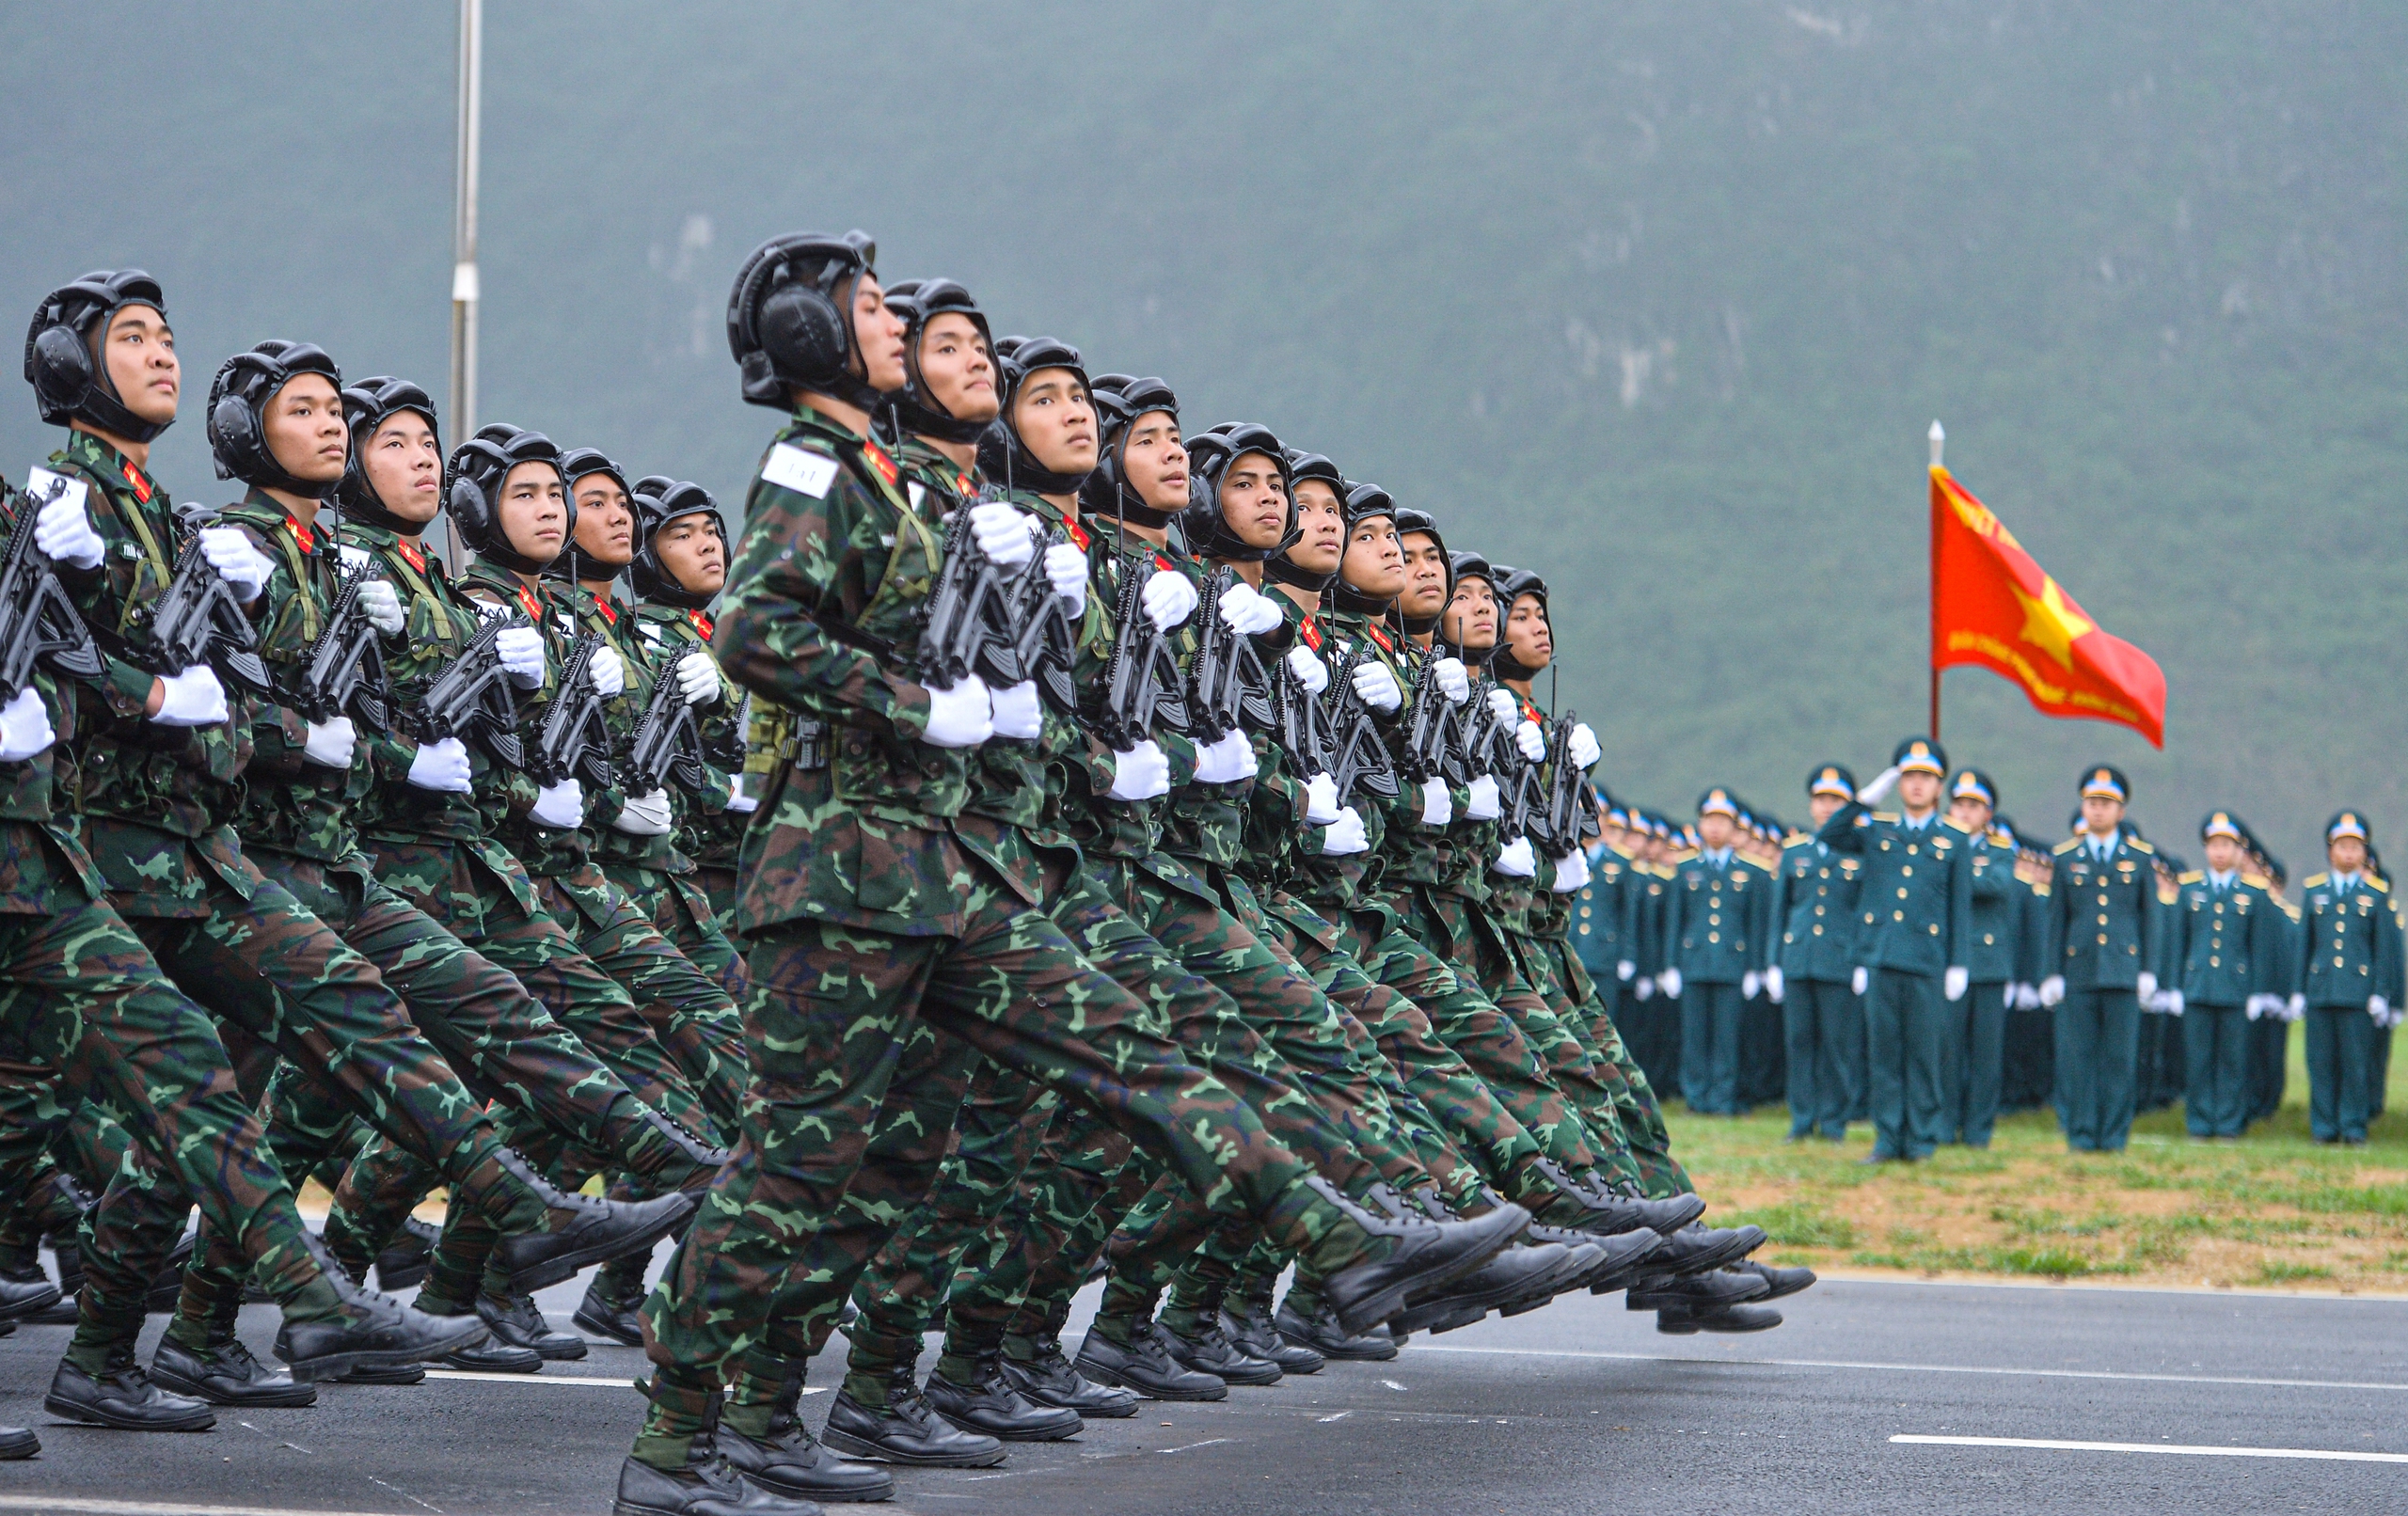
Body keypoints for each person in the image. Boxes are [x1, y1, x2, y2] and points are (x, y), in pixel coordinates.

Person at [620, 231, 1518, 1516]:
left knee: (1105, 1058)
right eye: (869, 310)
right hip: (839, 878)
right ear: (814, 336)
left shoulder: (905, 485)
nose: (891, 326)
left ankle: (1342, 1235)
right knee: (796, 1175)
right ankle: (680, 1442)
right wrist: (915, 701)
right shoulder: (816, 465)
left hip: (952, 869)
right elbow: (758, 632)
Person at [24, 276, 683, 1427]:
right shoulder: (144, 524)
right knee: (191, 1096)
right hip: (150, 859)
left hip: (227, 858)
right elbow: (121, 684)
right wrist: (166, 696)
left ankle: (536, 1194)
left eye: (342, 411)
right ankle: (235, 1313)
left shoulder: (185, 527)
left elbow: (281, 711)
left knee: (258, 1072)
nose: (160, 355)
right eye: (129, 339)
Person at [1815, 738, 1971, 1163]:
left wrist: (1958, 963)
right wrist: (1864, 798)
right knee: (1884, 1053)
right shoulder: (1878, 828)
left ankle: (1921, 1139)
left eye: (1926, 778)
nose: (1917, 785)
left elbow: (1959, 904)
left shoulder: (1954, 838)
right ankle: (1887, 1138)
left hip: (1926, 959)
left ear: (1939, 787)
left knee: (1923, 1054)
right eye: (1909, 777)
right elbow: (1830, 834)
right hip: (1882, 955)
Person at [2039, 766, 2159, 1153]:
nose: (2098, 811)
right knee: (2079, 1058)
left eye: (2106, 804)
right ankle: (2082, 1132)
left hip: (2123, 972)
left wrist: (2149, 971)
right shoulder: (2066, 857)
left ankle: (2113, 1135)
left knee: (2119, 1059)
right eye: (2092, 803)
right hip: (2079, 971)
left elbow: (2151, 921)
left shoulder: (2140, 859)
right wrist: (2051, 972)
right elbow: (2055, 919)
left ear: (2121, 810)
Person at [2165, 812, 2284, 1140]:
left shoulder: (2254, 892)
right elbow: (2178, 941)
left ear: (2239, 851)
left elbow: (2260, 947)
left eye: (2227, 845)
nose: (2220, 852)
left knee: (2233, 1060)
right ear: (2205, 849)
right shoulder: (2189, 889)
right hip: (2197, 986)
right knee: (2199, 1059)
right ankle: (2201, 1123)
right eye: (2214, 845)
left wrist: (2258, 991)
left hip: (2236, 988)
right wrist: (2175, 986)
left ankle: (2229, 1123)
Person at [1766, 765, 1864, 1141]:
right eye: (1821, 799)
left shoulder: (1860, 852)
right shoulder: (1795, 853)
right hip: (1798, 959)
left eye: (1836, 800)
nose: (1827, 807)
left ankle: (1835, 1120)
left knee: (1838, 1046)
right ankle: (1802, 1119)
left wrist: (1859, 960)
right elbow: (1781, 912)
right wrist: (1773, 962)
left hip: (1839, 961)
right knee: (1800, 1041)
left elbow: (1862, 912)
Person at [1662, 788, 1772, 1116]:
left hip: (1732, 964)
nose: (1715, 828)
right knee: (1694, 1036)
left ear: (1735, 827)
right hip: (1693, 963)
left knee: (1727, 1036)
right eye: (1710, 819)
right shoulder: (1685, 869)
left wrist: (1756, 968)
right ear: (1699, 824)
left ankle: (1723, 1098)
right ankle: (1697, 1098)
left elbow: (1757, 924)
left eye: (1723, 821)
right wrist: (1670, 965)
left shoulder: (1752, 872)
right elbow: (1674, 921)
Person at [2292, 812, 2400, 1145]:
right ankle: (2324, 1128)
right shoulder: (2314, 891)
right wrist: (2298, 990)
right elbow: (2303, 945)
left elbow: (2384, 949)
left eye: (2356, 847)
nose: (2349, 853)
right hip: (2321, 990)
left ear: (2364, 852)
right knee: (2321, 1064)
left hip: (2358, 994)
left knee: (2355, 1065)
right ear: (2330, 850)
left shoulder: (2376, 894)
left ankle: (2353, 1128)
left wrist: (2382, 992)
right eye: (2343, 846)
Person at [1942, 769, 2018, 1147]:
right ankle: (1943, 1124)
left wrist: (1952, 874)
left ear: (1988, 814)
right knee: (1946, 1051)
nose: (1965, 812)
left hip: (1987, 965)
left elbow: (1995, 885)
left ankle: (1977, 1130)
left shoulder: (2001, 850)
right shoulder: (1939, 846)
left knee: (1985, 1055)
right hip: (1945, 962)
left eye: (1974, 806)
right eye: (1959, 804)